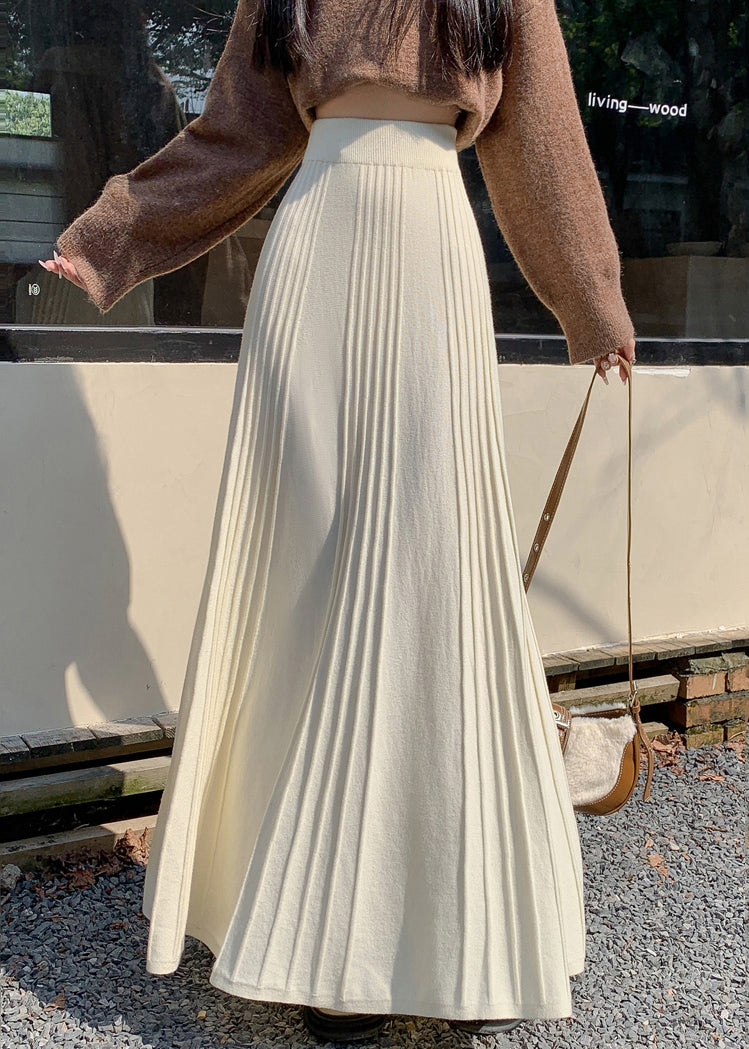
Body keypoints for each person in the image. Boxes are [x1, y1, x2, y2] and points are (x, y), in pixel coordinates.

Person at [42, 0, 637, 1042]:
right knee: (305, 582)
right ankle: (318, 937)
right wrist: (113, 234)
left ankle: (464, 935)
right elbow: (242, 131)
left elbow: (540, 139)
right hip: (313, 255)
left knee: (437, 583)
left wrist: (592, 301)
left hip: (430, 253)